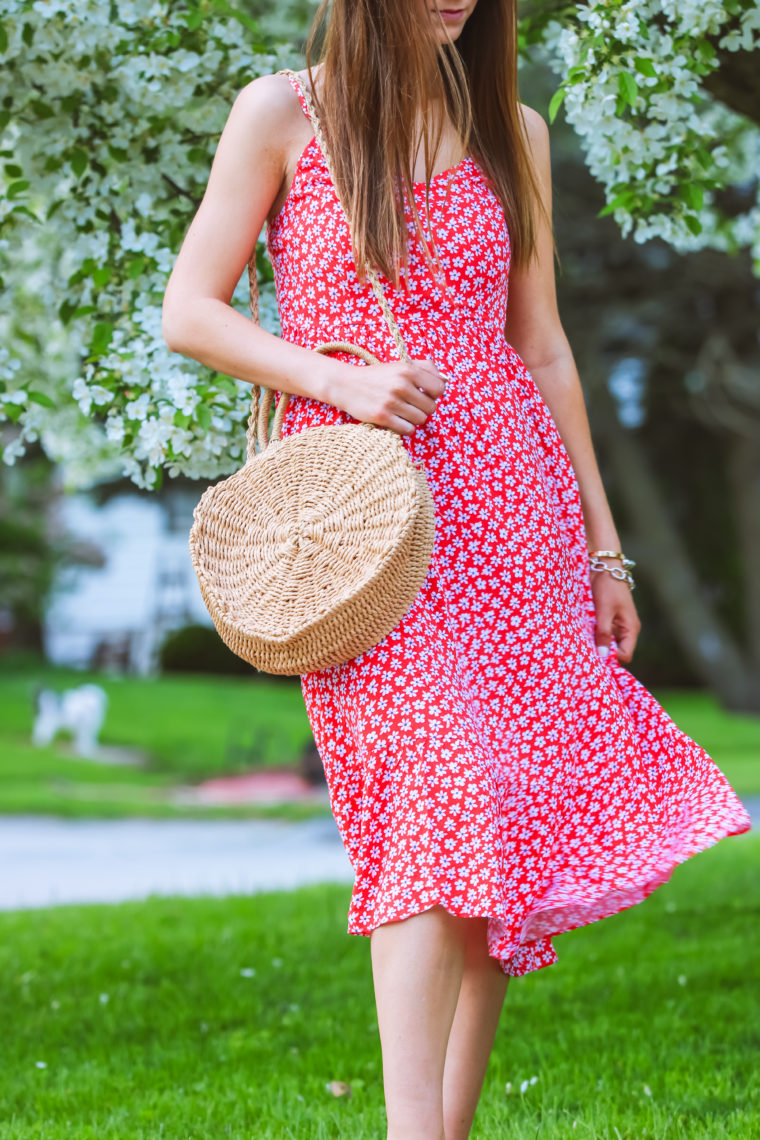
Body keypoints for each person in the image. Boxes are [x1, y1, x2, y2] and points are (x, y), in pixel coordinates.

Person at [162, 2, 751, 1137]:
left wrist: (602, 547)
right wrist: (335, 382)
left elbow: (541, 349)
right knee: (438, 799)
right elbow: (190, 309)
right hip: (363, 524)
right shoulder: (285, 113)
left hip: (514, 508)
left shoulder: (509, 129)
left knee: (503, 818)